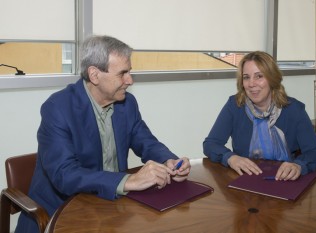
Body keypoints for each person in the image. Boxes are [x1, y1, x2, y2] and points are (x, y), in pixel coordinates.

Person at [15, 35, 191, 233]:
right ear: (95, 75)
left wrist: (169, 160)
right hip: (62, 212)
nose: (130, 80)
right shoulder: (58, 108)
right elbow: (65, 174)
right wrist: (128, 181)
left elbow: (146, 142)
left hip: (112, 206)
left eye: (130, 72)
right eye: (122, 73)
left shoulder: (127, 104)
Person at [203, 51, 316, 181]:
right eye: (246, 77)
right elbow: (210, 144)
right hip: (245, 179)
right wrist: (230, 158)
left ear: (272, 78)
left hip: (284, 180)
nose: (251, 84)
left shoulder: (294, 109)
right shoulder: (235, 105)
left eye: (259, 76)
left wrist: (298, 165)